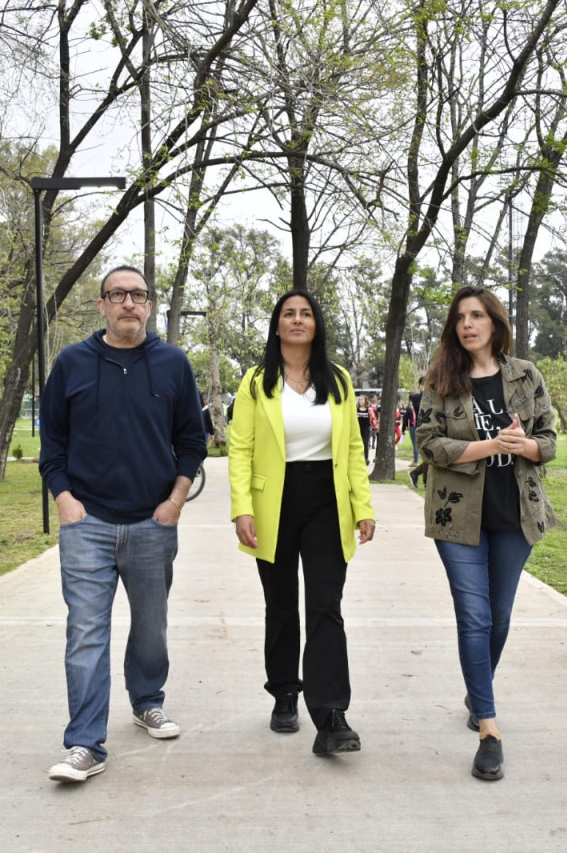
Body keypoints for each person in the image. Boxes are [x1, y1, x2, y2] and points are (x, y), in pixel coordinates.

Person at [40, 265, 207, 784]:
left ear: (150, 305)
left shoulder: (173, 365)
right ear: (102, 305)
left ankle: (147, 700)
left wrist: (176, 501)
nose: (128, 303)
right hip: (86, 522)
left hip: (152, 523)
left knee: (150, 629)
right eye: (118, 295)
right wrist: (65, 501)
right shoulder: (71, 363)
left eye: (138, 295)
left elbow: (193, 443)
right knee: (85, 633)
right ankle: (86, 744)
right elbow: (53, 447)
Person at [416, 285, 558, 782]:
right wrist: (488, 444)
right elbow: (430, 445)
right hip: (458, 516)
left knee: (498, 617)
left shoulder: (525, 376)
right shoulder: (440, 380)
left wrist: (524, 447)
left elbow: (550, 442)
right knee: (474, 617)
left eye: (477, 315)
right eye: (460, 317)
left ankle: (477, 696)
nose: (468, 324)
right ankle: (489, 732)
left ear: (495, 323)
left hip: (515, 514)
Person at [228, 290, 376, 757]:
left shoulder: (338, 380)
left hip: (327, 503)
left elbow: (352, 448)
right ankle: (285, 692)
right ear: (276, 326)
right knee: (282, 605)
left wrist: (364, 505)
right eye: (288, 314)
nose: (297, 320)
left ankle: (331, 714)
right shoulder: (256, 382)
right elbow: (240, 448)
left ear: (316, 326)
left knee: (326, 606)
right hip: (274, 502)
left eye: (305, 314)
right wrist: (242, 507)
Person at [355, 396, 372, 464]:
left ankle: (366, 458)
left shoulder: (369, 409)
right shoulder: (356, 409)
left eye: (362, 399)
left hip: (366, 429)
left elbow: (372, 419)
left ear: (365, 401)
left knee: (365, 443)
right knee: (357, 444)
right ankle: (357, 458)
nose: (360, 401)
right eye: (359, 400)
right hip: (357, 429)